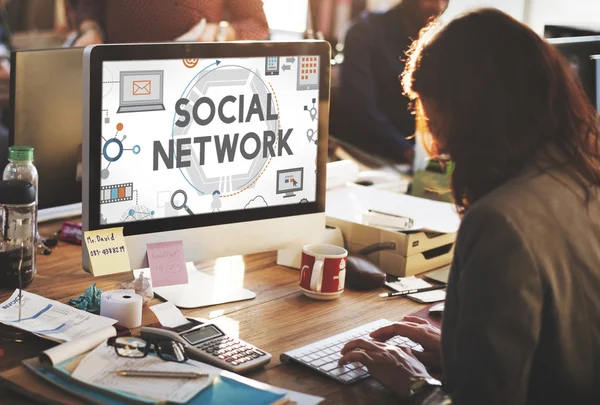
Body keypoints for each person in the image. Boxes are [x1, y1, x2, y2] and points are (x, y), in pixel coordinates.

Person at [338, 8, 600, 405]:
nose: (440, 149)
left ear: (476, 116)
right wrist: (462, 353)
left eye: (439, 125)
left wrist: (414, 384)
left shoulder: (501, 221)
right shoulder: (584, 180)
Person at [335, 0, 449, 162]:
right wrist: (407, 151)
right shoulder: (365, 30)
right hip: (365, 156)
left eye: (445, 0)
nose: (439, 7)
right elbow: (360, 106)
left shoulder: (438, 40)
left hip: (416, 158)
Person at [73, 0, 269, 46]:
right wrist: (90, 28)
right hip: (114, 76)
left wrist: (221, 33)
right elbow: (90, 5)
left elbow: (258, 26)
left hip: (190, 83)